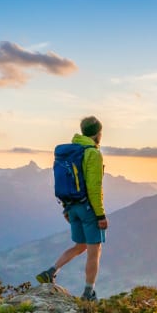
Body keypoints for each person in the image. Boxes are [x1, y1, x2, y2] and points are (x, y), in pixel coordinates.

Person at [36, 116, 108, 301]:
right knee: (94, 250)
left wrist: (66, 209)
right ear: (98, 133)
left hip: (71, 206)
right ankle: (88, 293)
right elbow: (94, 187)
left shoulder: (70, 151)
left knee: (80, 245)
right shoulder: (92, 153)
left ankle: (51, 271)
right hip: (87, 208)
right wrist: (100, 215)